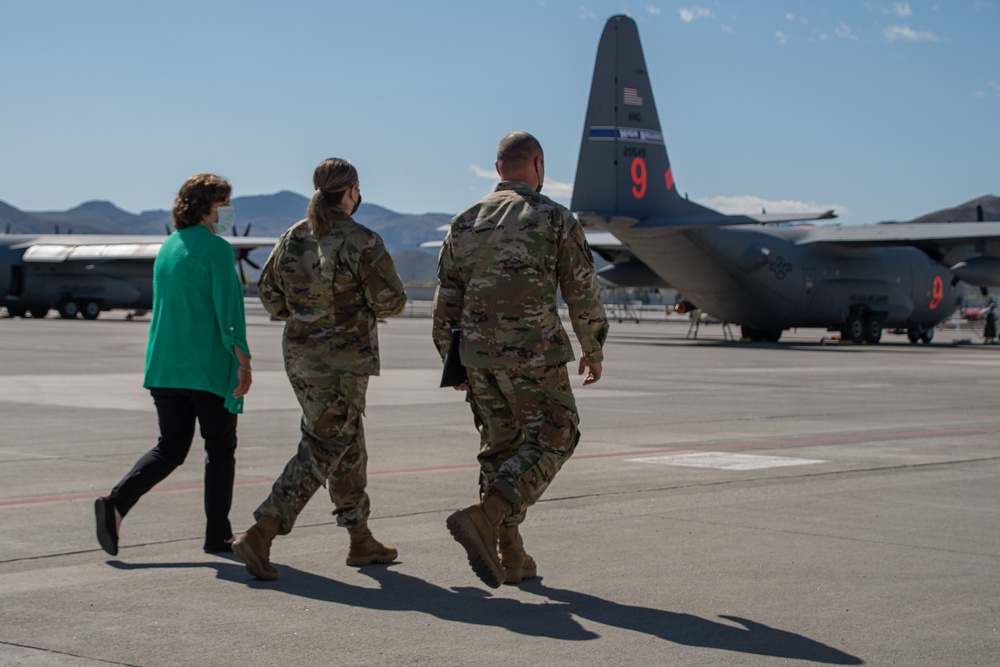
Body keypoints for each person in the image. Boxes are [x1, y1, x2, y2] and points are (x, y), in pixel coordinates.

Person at [433, 131, 609, 588]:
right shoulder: (553, 217)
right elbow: (582, 290)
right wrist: (593, 347)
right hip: (533, 352)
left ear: (497, 170)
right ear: (538, 163)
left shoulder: (464, 221)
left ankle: (510, 554)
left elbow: (445, 303)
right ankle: (486, 516)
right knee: (557, 435)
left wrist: (453, 363)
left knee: (500, 449)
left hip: (477, 358)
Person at [232, 158, 407, 581]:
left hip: (301, 359)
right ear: (350, 192)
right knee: (324, 446)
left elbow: (271, 298)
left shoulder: (293, 237)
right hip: (343, 363)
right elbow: (392, 301)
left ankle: (360, 538)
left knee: (347, 444)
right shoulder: (362, 241)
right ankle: (263, 530)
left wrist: (308, 313)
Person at [94, 173, 252, 556]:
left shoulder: (169, 247)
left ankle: (117, 502)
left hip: (165, 367)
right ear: (207, 206)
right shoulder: (216, 249)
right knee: (219, 450)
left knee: (170, 448)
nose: (229, 210)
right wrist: (244, 362)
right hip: (206, 368)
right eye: (224, 202)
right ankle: (217, 536)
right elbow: (228, 313)